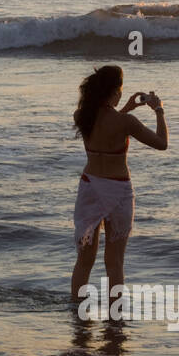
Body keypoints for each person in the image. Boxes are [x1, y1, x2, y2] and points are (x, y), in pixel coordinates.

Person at [70, 65, 168, 312]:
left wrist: (125, 109)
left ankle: (76, 313)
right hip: (118, 191)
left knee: (84, 262)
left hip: (90, 188)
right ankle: (115, 317)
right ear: (114, 92)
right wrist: (158, 109)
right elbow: (161, 144)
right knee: (114, 263)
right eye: (120, 92)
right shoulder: (126, 122)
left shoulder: (81, 116)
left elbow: (107, 127)